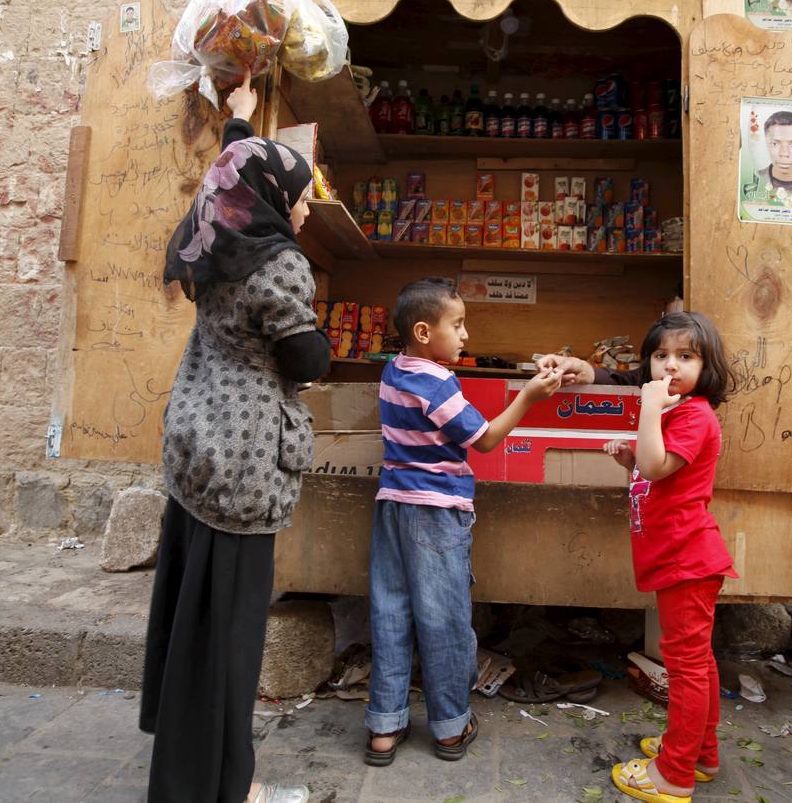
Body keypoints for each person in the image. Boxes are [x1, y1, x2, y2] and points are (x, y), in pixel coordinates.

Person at [140, 72, 329, 803]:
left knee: (193, 621)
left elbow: (232, 173)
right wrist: (322, 340)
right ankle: (223, 790)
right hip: (245, 463)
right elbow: (304, 358)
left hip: (197, 444)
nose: (305, 208)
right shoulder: (279, 261)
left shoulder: (215, 233)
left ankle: (190, 774)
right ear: (274, 198)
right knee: (229, 639)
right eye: (301, 195)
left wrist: (241, 121)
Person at [365, 278, 561, 765]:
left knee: (390, 613)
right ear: (424, 332)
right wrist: (528, 396)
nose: (466, 335)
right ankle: (451, 727)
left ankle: (384, 728)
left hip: (392, 507)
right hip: (436, 514)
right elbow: (486, 439)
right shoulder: (437, 381)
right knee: (444, 620)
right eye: (457, 325)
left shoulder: (393, 370)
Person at [601, 312, 737, 803]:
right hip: (677, 558)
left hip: (687, 560)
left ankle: (674, 773)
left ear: (707, 367)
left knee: (686, 669)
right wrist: (631, 461)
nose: (670, 366)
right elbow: (655, 472)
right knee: (697, 663)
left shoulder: (693, 414)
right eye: (660, 356)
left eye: (686, 356)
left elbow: (657, 465)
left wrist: (647, 408)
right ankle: (701, 753)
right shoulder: (675, 416)